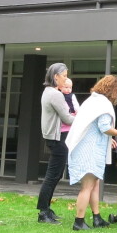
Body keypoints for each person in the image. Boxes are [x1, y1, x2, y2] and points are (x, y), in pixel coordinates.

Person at [66, 75, 117, 231]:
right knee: (87, 187)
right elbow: (104, 127)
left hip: (85, 148)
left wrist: (110, 139)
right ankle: (79, 222)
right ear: (113, 90)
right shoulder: (103, 104)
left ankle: (97, 218)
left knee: (94, 185)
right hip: (90, 151)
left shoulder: (92, 101)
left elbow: (92, 126)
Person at [36, 63, 76, 224]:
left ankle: (46, 209)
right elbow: (67, 118)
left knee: (55, 174)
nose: (66, 79)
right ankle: (43, 212)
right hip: (58, 138)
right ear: (56, 77)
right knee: (53, 175)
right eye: (64, 76)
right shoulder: (55, 94)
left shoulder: (48, 92)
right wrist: (84, 119)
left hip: (54, 137)